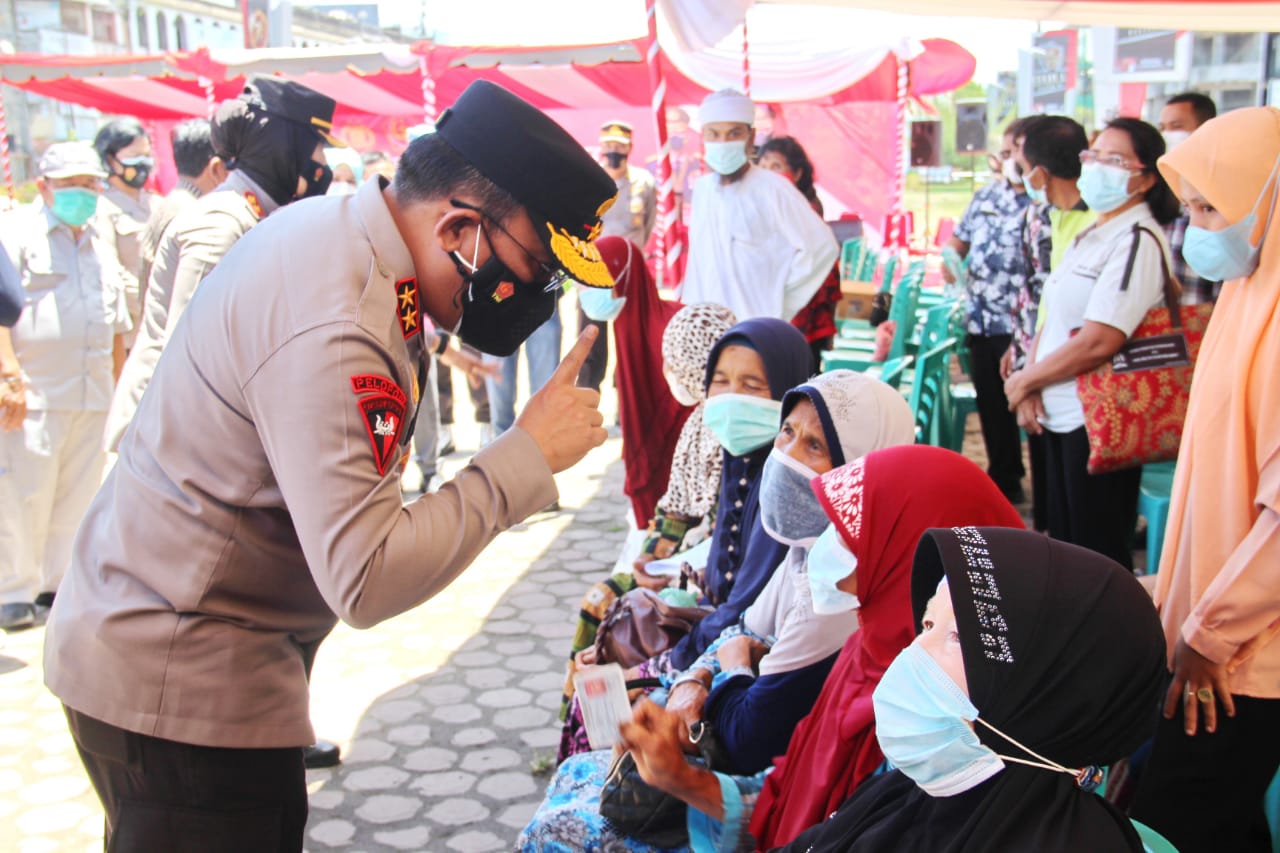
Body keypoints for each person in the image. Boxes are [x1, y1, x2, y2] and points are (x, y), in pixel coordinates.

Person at [43, 79, 618, 850]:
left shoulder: (355, 240)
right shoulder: (341, 312)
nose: (541, 294)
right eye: (537, 265)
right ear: (459, 226)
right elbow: (367, 574)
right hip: (180, 685)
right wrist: (523, 457)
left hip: (183, 654)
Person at [520, 447, 1024, 851]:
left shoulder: (948, 712)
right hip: (765, 820)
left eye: (856, 538)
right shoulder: (868, 651)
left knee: (563, 831)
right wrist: (678, 776)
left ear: (910, 559)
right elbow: (790, 790)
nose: (831, 551)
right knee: (574, 783)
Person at [558, 370, 915, 764]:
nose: (786, 455)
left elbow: (748, 736)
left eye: (815, 445)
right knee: (595, 701)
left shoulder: (839, 584)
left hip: (756, 772)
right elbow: (742, 629)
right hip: (721, 703)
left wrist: (722, 668)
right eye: (788, 432)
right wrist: (694, 676)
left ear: (864, 465)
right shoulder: (810, 549)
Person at [772, 526, 1166, 852]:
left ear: (1048, 688)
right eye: (927, 625)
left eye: (957, 637)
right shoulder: (921, 788)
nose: (913, 652)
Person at [1128, 105, 1280, 853]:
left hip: (1244, 655)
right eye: (1187, 207)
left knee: (1172, 818)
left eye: (1210, 205)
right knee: (1219, 817)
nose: (1194, 228)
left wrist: (1209, 631)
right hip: (1209, 633)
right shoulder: (1248, 292)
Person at [105, 78, 344, 452]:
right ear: (284, 149)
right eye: (316, 148)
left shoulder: (252, 215)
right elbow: (195, 359)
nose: (323, 165)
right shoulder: (221, 224)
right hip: (169, 448)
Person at [1004, 118, 1180, 570]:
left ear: (1146, 176)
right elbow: (1054, 315)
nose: (1098, 166)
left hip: (1100, 421)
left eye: (1115, 159)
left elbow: (1100, 340)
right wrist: (1032, 381)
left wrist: (1024, 380)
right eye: (1095, 154)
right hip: (1060, 412)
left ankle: (1111, 641)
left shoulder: (1136, 240)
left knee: (1095, 556)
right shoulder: (1092, 234)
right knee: (1064, 547)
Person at [558, 302, 736, 719]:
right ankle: (580, 721)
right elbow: (676, 510)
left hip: (705, 579)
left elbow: (719, 534)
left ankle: (591, 721)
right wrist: (650, 556)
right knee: (605, 598)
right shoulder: (697, 424)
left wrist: (666, 566)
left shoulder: (732, 430)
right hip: (680, 566)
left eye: (675, 362)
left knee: (604, 602)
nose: (668, 373)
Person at [0, 142, 130, 632]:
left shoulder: (100, 237)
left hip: (92, 387)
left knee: (77, 492)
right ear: (46, 185)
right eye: (74, 184)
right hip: (34, 387)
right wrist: (7, 373)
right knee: (23, 491)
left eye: (91, 184)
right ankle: (13, 589)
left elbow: (116, 318)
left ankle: (55, 584)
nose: (85, 193)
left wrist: (119, 388)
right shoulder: (15, 233)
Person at [678, 89, 837, 323]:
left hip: (754, 324)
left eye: (734, 134)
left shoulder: (772, 188)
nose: (723, 143)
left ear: (750, 137)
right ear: (703, 137)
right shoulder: (702, 190)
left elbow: (822, 247)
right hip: (705, 324)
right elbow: (699, 263)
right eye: (714, 134)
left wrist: (781, 299)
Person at [944, 117, 1038, 504]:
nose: (1010, 159)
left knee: (1029, 402)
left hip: (1026, 324)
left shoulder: (1044, 201)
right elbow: (957, 244)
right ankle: (1005, 478)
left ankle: (1043, 485)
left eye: (1016, 150)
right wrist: (951, 263)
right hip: (983, 318)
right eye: (1004, 152)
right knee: (992, 404)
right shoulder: (986, 198)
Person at [1006, 116, 1093, 533]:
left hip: (1082, 393)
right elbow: (1043, 305)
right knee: (1055, 512)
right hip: (1044, 377)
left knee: (1085, 524)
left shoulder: (1102, 225)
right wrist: (1026, 372)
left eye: (1021, 165)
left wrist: (1029, 377)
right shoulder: (1053, 217)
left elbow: (1096, 332)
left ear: (1039, 171)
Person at [577, 120, 657, 393]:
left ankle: (625, 409)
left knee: (631, 342)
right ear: (600, 147)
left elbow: (646, 226)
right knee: (590, 342)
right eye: (608, 146)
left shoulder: (644, 183)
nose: (613, 151)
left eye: (619, 147)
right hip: (593, 270)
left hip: (628, 273)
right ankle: (589, 401)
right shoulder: (587, 181)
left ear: (630, 148)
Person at [758, 135, 842, 365]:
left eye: (776, 166)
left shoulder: (805, 208)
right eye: (763, 166)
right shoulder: (771, 207)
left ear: (797, 173)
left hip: (804, 310)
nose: (767, 173)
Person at [93, 118, 156, 348]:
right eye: (134, 157)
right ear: (111, 160)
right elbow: (111, 271)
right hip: (134, 331)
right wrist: (155, 301)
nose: (142, 164)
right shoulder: (102, 209)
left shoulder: (157, 203)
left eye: (146, 156)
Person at [1159, 92, 1219, 305]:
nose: (1167, 135)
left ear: (1206, 128)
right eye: (1163, 128)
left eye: (1176, 126)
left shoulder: (1221, 192)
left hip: (1207, 321)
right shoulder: (1161, 191)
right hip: (1164, 326)